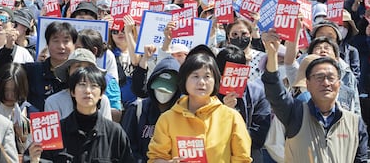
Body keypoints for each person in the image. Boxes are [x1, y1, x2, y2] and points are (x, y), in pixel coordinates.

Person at [261, 29, 368, 163]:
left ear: (339, 84)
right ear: (307, 83)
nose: (326, 83)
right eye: (319, 77)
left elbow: (361, 159)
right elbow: (275, 93)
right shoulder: (295, 113)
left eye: (331, 77)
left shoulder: (355, 122)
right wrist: (272, 55)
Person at [147, 45, 252, 162]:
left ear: (216, 80)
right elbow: (156, 156)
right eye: (195, 76)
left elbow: (242, 158)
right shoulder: (167, 119)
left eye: (207, 76)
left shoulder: (231, 117)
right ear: (184, 80)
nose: (201, 82)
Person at [28, 66, 135, 163]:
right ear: (72, 92)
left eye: (94, 86)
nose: (88, 91)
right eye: (82, 85)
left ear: (101, 93)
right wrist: (34, 160)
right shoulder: (54, 132)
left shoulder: (114, 133)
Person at [216, 45, 271, 163]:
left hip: (249, 154)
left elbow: (259, 137)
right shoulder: (209, 94)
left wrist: (233, 118)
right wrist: (222, 111)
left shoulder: (257, 93)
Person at [121, 56, 181, 162]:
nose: (162, 94)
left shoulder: (183, 114)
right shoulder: (137, 109)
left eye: (167, 91)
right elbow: (126, 146)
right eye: (159, 89)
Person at [44, 48, 113, 121]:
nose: (82, 71)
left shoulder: (102, 100)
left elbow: (106, 129)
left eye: (87, 67)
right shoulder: (53, 102)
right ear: (68, 71)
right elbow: (51, 132)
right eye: (77, 67)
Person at [22, 21, 77, 111]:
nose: (61, 46)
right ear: (47, 44)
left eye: (66, 41)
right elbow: (4, 74)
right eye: (56, 41)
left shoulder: (78, 75)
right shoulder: (32, 71)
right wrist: (8, 48)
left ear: (74, 45)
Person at [0, 62, 38, 155]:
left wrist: (23, 138)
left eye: (14, 91)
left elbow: (37, 154)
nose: (9, 95)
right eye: (6, 90)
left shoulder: (32, 113)